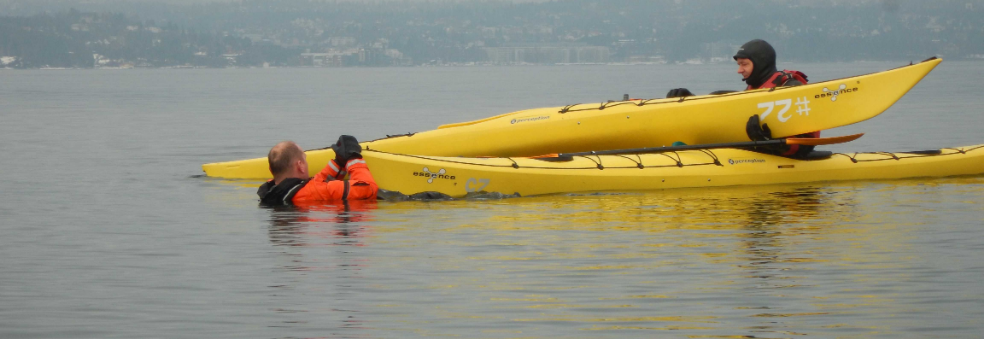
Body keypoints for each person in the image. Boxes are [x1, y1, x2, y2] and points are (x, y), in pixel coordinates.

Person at [665, 39, 819, 158]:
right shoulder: (752, 91)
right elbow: (729, 110)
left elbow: (806, 143)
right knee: (717, 94)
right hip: (758, 153)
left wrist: (770, 142)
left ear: (760, 64)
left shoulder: (792, 87)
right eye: (739, 65)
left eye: (744, 64)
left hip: (789, 157)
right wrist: (691, 101)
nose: (739, 70)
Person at [257, 135, 378, 205]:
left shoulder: (270, 191)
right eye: (305, 159)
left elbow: (312, 185)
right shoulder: (318, 192)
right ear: (300, 166)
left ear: (271, 169)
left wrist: (339, 163)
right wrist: (353, 159)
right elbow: (368, 188)